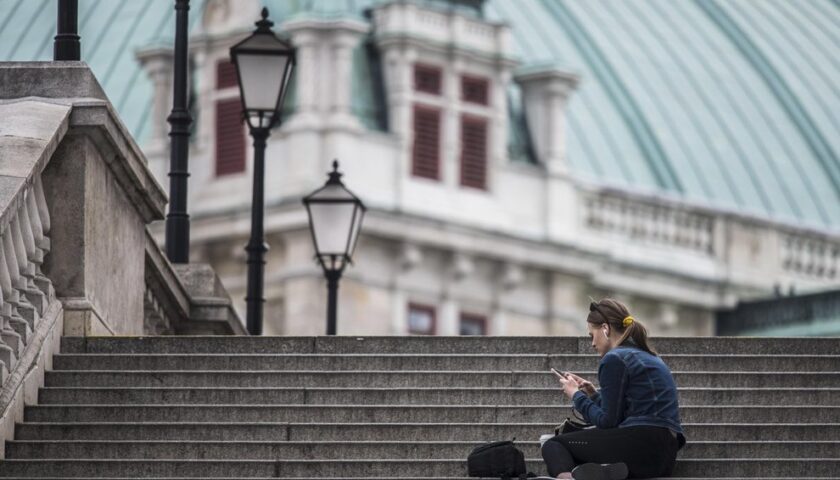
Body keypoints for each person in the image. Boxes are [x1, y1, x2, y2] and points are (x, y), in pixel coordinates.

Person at [540, 298, 686, 479]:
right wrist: (593, 395)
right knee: (579, 454)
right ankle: (604, 469)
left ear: (605, 328)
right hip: (663, 456)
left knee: (554, 446)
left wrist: (576, 395)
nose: (592, 344)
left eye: (591, 335)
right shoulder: (650, 356)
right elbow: (623, 414)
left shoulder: (614, 358)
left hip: (638, 445)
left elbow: (608, 422)